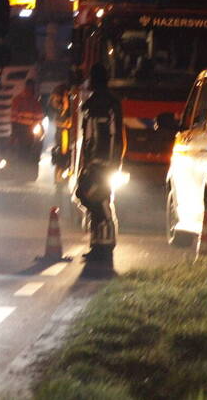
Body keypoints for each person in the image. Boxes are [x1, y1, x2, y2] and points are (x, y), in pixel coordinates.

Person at [75, 63, 125, 263]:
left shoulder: (103, 104)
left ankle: (104, 245)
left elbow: (110, 135)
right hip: (100, 163)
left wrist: (108, 163)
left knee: (100, 201)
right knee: (92, 198)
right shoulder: (104, 103)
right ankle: (98, 244)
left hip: (100, 164)